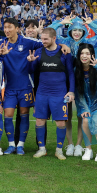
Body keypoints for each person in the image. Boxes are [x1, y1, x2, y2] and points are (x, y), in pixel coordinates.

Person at [50, 14, 97, 156]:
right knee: (67, 115)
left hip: (84, 82)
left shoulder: (91, 42)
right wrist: (60, 22)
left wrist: (92, 23)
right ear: (70, 30)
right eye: (74, 30)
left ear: (84, 31)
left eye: (80, 30)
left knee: (81, 114)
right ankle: (70, 144)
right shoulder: (63, 41)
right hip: (67, 82)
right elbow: (48, 34)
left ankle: (79, 145)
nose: (77, 33)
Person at [26, 28, 76, 161]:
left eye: (45, 39)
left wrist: (71, 90)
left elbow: (71, 73)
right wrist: (31, 62)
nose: (43, 41)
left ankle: (59, 150)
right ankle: (42, 149)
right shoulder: (38, 51)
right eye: (42, 39)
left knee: (60, 122)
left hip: (59, 94)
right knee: (39, 120)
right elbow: (31, 70)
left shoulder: (64, 52)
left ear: (54, 38)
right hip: (42, 92)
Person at [0, 18, 43, 155]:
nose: (7, 30)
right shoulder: (1, 43)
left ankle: (21, 145)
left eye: (10, 27)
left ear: (17, 29)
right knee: (8, 115)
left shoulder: (28, 41)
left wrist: (35, 58)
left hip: (26, 86)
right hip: (10, 87)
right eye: (5, 27)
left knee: (24, 115)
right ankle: (11, 145)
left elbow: (45, 44)